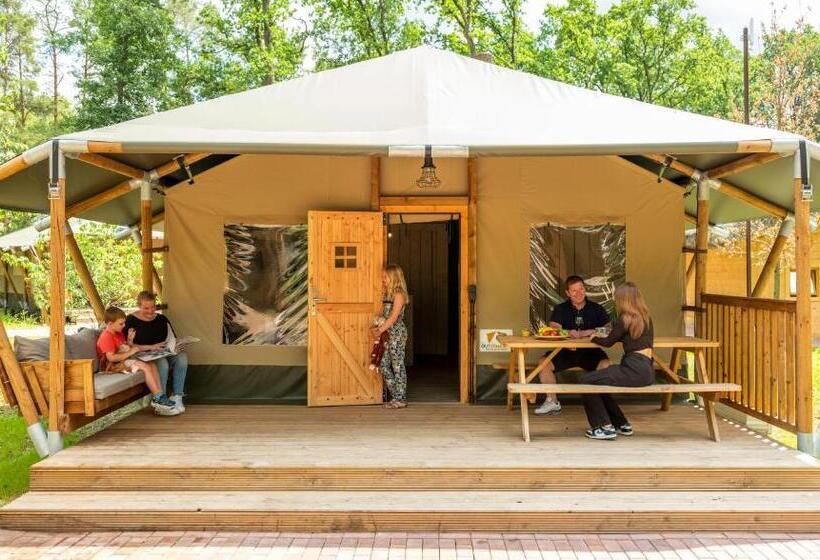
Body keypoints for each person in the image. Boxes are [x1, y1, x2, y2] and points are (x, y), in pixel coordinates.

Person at [583, 282, 654, 440]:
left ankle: (604, 427)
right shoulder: (646, 318)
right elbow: (630, 338)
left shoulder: (625, 319)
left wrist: (593, 338)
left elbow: (608, 342)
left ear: (623, 299)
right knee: (599, 382)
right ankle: (621, 423)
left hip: (633, 369)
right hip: (647, 371)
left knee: (586, 380)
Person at [534, 275, 611, 416]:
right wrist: (569, 332)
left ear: (585, 289)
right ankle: (552, 402)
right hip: (565, 351)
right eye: (574, 290)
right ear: (568, 293)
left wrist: (590, 331)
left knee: (606, 364)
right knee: (543, 363)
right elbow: (553, 327)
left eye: (581, 289)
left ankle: (601, 402)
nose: (579, 293)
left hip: (591, 352)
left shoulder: (596, 308)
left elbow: (608, 328)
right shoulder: (561, 308)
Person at [96, 306, 179, 416]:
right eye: (121, 324)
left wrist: (130, 341)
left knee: (152, 364)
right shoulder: (106, 336)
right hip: (112, 366)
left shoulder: (118, 333)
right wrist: (131, 351)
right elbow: (111, 358)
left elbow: (124, 347)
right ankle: (158, 398)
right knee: (145, 366)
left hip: (123, 361)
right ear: (110, 323)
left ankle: (160, 395)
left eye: (124, 323)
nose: (124, 326)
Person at [125, 291, 188, 413]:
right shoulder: (131, 320)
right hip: (142, 355)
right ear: (139, 306)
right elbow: (127, 346)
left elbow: (171, 338)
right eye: (146, 308)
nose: (150, 311)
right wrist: (152, 347)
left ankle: (177, 396)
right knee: (162, 362)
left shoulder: (162, 319)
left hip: (162, 352)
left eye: (153, 307)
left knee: (182, 357)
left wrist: (176, 346)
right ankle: (162, 401)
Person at [371, 264, 409, 409]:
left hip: (396, 333)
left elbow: (393, 318)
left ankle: (401, 398)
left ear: (394, 278)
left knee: (397, 364)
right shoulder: (387, 294)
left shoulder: (399, 295)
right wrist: (376, 325)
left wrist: (380, 330)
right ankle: (396, 396)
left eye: (385, 277)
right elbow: (384, 314)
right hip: (386, 333)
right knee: (383, 364)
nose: (383, 279)